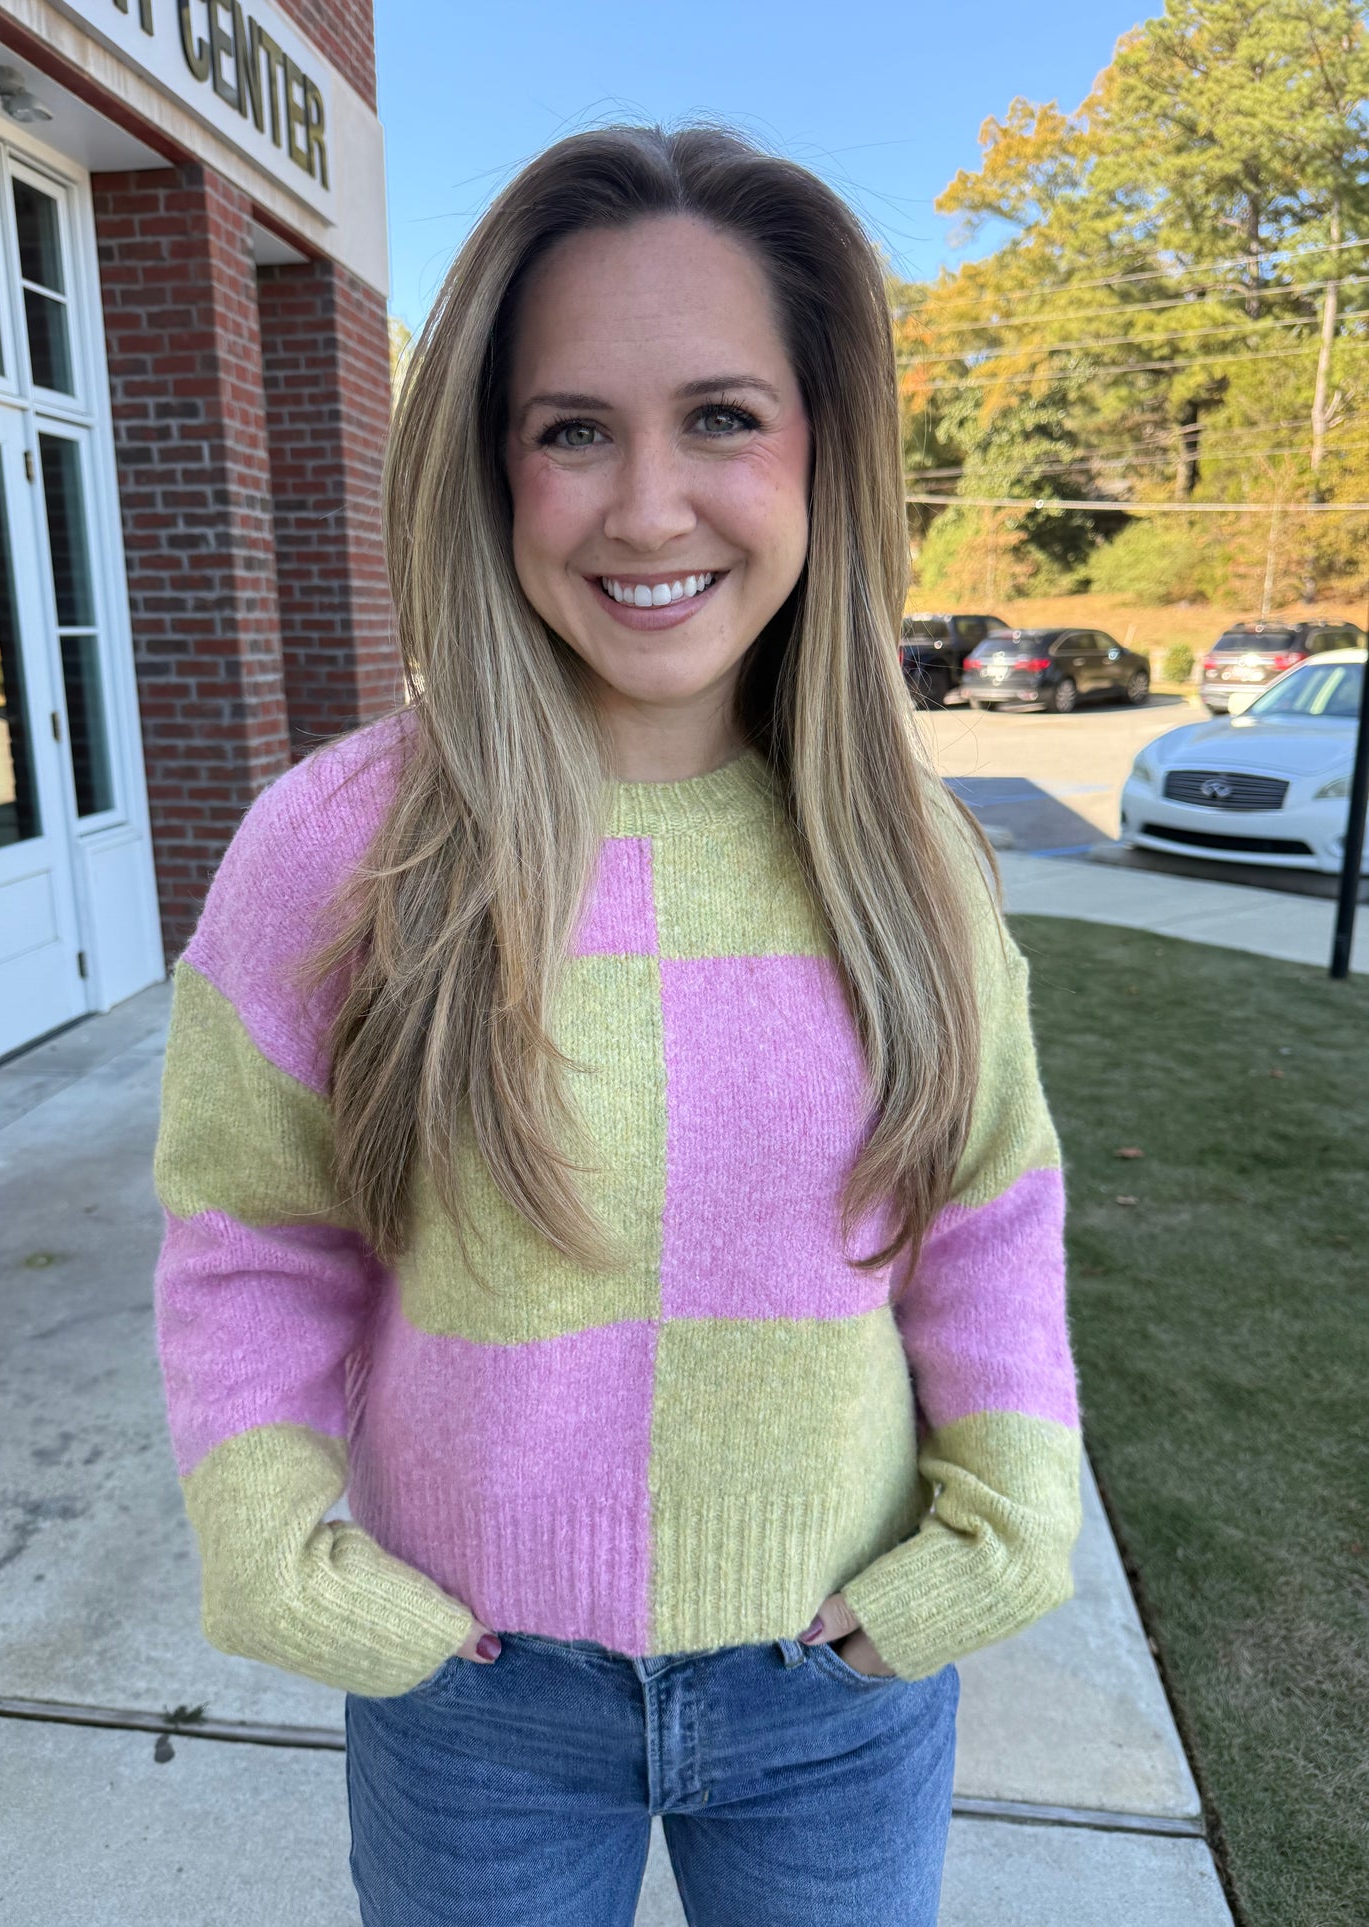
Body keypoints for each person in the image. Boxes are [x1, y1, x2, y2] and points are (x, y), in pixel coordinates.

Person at [153, 123, 1082, 1927]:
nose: (648, 506)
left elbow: (987, 1217)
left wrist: (1013, 1517)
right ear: (490, 472)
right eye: (573, 428)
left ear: (826, 447)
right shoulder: (339, 848)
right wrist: (264, 1530)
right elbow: (251, 1236)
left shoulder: (913, 856)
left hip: (842, 1681)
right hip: (474, 1693)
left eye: (721, 416)